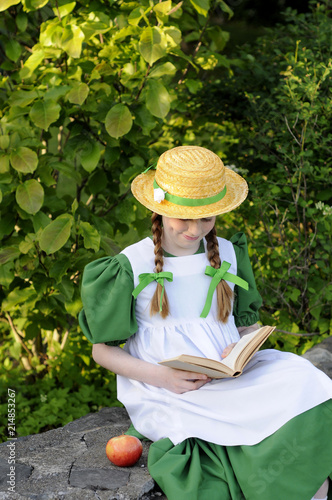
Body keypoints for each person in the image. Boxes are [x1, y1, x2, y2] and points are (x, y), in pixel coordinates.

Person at [79, 145, 332, 500]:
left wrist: (242, 347)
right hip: (167, 383)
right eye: (184, 219)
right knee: (239, 422)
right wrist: (164, 377)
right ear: (159, 208)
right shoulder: (130, 265)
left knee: (307, 379)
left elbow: (246, 324)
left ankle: (312, 485)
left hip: (228, 370)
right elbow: (102, 352)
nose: (195, 230)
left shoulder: (228, 251)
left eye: (207, 219)